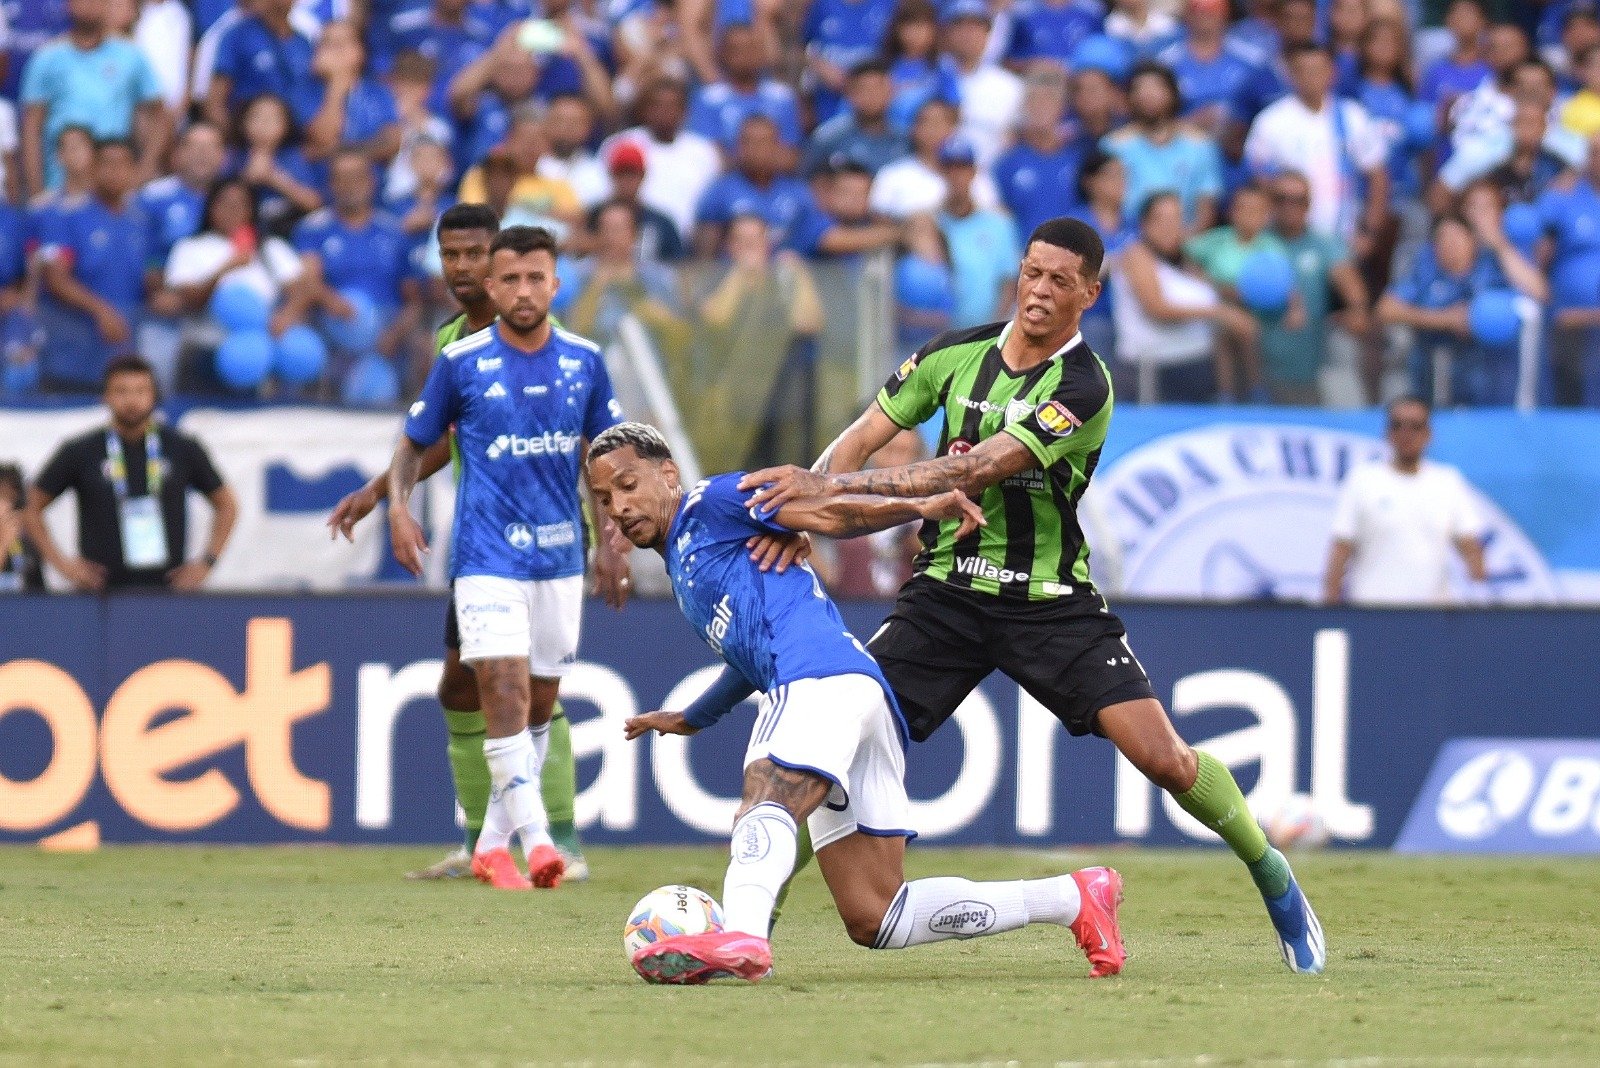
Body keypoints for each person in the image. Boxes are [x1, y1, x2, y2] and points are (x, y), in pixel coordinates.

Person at [738, 216, 1327, 975]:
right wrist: (805, 513)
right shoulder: (952, 354)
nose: (1039, 291)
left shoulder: (1084, 385)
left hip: (1051, 602)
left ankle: (1274, 878)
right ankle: (751, 920)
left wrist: (827, 494)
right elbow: (855, 441)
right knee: (828, 740)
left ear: (1090, 293)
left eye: (1059, 281)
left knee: (1166, 760)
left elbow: (975, 469)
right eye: (1031, 273)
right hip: (944, 596)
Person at [590, 422, 1127, 985]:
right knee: (878, 914)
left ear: (668, 474)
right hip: (859, 693)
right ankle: (1074, 897)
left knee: (767, 797)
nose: (618, 508)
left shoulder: (712, 502)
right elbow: (749, 650)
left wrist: (922, 507)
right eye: (604, 499)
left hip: (817, 679)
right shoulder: (686, 557)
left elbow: (828, 508)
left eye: (628, 485)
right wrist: (695, 715)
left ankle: (743, 935)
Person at [329, 207, 598, 882]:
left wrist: (613, 531)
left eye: (476, 253)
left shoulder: (549, 340)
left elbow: (588, 437)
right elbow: (438, 438)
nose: (462, 268)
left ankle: (557, 839)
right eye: (450, 255)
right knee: (463, 686)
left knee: (528, 688)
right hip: (486, 541)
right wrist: (381, 494)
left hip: (550, 538)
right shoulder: (454, 340)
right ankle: (486, 840)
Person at [383, 225, 629, 890]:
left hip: (560, 556)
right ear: (491, 288)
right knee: (504, 692)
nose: (523, 291)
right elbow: (413, 443)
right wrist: (398, 507)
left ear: (555, 285)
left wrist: (612, 538)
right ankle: (541, 843)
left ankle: (492, 845)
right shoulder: (461, 361)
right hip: (486, 556)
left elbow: (607, 457)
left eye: (535, 278)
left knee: (540, 705)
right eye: (511, 279)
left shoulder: (585, 361)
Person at [23, 355, 237, 592]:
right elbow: (30, 506)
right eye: (121, 391)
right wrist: (62, 565)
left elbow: (227, 505)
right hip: (99, 594)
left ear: (154, 396)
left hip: (168, 592)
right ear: (105, 396)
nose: (132, 400)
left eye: (140, 391)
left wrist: (207, 562)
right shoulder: (81, 450)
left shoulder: (182, 448)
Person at [1323, 396, 1487, 605]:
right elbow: (1342, 547)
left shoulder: (1447, 482)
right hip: (1372, 611)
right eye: (1398, 425)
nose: (1406, 434)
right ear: (1387, 433)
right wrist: (1330, 606)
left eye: (1415, 426)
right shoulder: (1362, 480)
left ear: (1428, 434)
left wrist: (1479, 590)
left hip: (1432, 614)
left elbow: (1470, 546)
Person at [19, 0, 169, 197]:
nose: (89, 4)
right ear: (68, 5)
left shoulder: (131, 55)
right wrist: (36, 191)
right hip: (60, 186)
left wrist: (144, 171)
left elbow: (160, 116)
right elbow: (31, 128)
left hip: (114, 187)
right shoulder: (46, 58)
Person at [0, 462, 45, 592]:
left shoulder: (26, 542)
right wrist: (3, 543)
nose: (5, 507)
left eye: (10, 499)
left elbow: (40, 594)